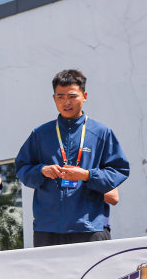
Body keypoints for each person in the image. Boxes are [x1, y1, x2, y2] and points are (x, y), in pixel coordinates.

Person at [16, 69, 129, 247]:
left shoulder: (101, 133)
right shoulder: (40, 134)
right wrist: (41, 171)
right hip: (48, 227)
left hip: (89, 226)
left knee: (94, 275)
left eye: (72, 96)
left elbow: (119, 170)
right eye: (60, 97)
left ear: (84, 96)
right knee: (48, 275)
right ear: (54, 98)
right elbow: (21, 168)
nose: (66, 102)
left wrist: (86, 175)